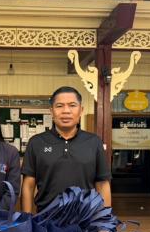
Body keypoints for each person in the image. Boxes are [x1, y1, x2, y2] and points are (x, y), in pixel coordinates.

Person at [21, 85, 112, 213]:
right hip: (46, 218)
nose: (66, 111)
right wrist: (26, 219)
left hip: (85, 218)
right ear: (51, 111)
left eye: (72, 105)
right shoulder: (36, 142)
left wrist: (104, 221)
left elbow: (102, 184)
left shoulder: (94, 142)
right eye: (59, 106)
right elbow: (28, 185)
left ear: (81, 110)